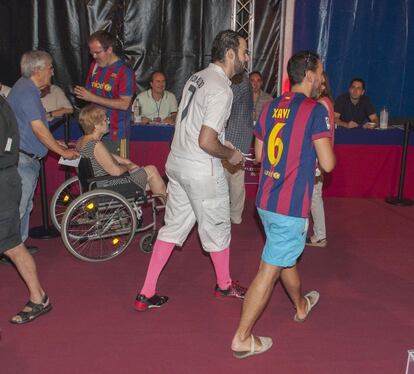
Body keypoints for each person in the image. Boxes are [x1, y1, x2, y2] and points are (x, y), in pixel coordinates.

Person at [134, 29, 249, 312]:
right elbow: (207, 140)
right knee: (219, 230)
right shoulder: (222, 89)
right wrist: (231, 154)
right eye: (245, 52)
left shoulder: (196, 77)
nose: (247, 59)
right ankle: (224, 285)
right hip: (202, 170)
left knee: (172, 229)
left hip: (177, 163)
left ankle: (145, 293)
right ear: (231, 53)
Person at [231, 51, 336, 359]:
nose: (321, 79)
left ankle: (301, 305)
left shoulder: (271, 105)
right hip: (289, 206)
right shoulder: (315, 110)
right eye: (319, 73)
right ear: (310, 75)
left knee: (284, 256)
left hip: (265, 200)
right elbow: (328, 164)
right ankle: (242, 337)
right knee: (269, 268)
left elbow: (261, 156)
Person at [7, 50, 79, 251]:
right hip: (22, 159)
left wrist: (56, 143)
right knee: (18, 208)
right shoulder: (27, 92)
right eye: (50, 68)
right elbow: (37, 128)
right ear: (37, 70)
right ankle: (11, 250)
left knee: (24, 206)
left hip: (25, 158)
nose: (52, 72)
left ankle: (16, 245)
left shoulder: (26, 89)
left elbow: (32, 127)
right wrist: (61, 152)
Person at [76, 104, 166, 199]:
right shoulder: (96, 145)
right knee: (152, 170)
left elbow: (105, 155)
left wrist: (125, 161)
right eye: (106, 120)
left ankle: (166, 205)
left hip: (97, 184)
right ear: (96, 125)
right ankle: (168, 208)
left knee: (151, 181)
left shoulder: (81, 141)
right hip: (107, 186)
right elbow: (116, 171)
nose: (109, 122)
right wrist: (128, 166)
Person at [74, 30, 135, 158]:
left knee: (117, 172)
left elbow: (124, 104)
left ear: (109, 49)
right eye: (91, 52)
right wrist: (84, 93)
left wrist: (92, 97)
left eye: (97, 52)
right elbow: (92, 88)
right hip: (94, 132)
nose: (94, 56)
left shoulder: (125, 71)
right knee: (96, 172)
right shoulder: (95, 66)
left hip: (115, 134)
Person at [306, 71, 335, 247]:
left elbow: (320, 136)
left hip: (317, 158)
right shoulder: (327, 103)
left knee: (314, 197)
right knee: (315, 196)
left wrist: (316, 163)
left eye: (319, 83)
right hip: (321, 156)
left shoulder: (321, 105)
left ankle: (320, 235)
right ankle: (319, 234)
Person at [222, 72, 253, 224]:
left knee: (226, 178)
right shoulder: (245, 81)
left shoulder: (237, 82)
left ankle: (227, 214)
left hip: (232, 136)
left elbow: (224, 105)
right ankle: (235, 215)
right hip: (243, 135)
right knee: (237, 179)